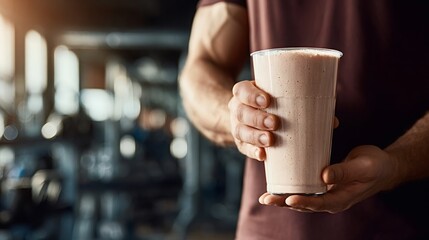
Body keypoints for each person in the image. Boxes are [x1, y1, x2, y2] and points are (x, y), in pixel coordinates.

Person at [179, 0, 429, 239]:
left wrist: (397, 164)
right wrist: (235, 118)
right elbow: (203, 65)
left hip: (401, 224)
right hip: (268, 229)